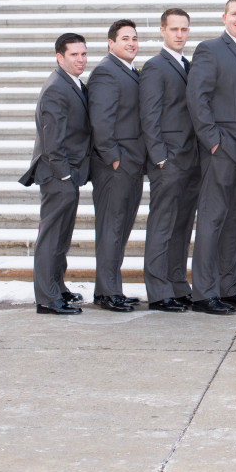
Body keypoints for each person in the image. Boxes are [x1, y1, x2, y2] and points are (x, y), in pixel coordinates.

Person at [186, 0, 236, 315]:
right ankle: (204, 292)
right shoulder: (209, 49)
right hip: (222, 150)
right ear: (224, 17)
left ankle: (228, 286)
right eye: (235, 14)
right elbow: (197, 97)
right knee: (213, 219)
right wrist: (213, 140)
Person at [19, 33, 91, 315]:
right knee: (51, 237)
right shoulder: (56, 89)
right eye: (74, 55)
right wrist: (65, 176)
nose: (80, 59)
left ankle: (57, 287)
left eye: (83, 54)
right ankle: (47, 298)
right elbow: (53, 140)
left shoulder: (70, 83)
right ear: (60, 57)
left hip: (66, 174)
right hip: (57, 175)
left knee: (61, 236)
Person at [139, 8, 199, 313]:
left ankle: (177, 284)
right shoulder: (155, 66)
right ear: (162, 31)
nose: (179, 35)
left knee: (182, 226)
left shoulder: (187, 65)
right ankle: (159, 291)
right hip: (168, 161)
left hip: (190, 161)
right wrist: (159, 157)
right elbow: (149, 116)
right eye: (174, 29)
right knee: (162, 226)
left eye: (184, 29)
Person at [88, 19, 146, 313]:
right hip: (115, 166)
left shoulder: (128, 71)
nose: (132, 43)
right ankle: (109, 292)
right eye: (125, 38)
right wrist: (114, 158)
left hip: (131, 163)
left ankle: (108, 288)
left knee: (119, 229)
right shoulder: (105, 73)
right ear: (111, 43)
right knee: (111, 228)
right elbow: (101, 120)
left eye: (135, 38)